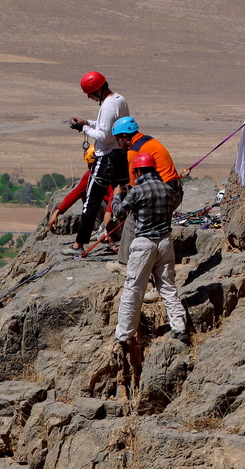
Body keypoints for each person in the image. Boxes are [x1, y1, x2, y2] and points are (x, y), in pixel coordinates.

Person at [112, 153, 188, 347]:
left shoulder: (137, 191)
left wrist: (117, 196)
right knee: (167, 286)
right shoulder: (167, 188)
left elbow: (119, 212)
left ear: (138, 171)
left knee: (133, 288)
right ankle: (179, 327)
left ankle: (123, 334)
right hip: (165, 241)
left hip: (144, 243)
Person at [65, 71, 129, 255]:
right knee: (125, 198)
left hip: (106, 158)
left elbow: (103, 135)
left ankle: (78, 245)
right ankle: (127, 240)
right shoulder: (119, 100)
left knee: (91, 202)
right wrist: (87, 122)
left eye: (90, 93)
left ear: (98, 90)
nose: (89, 97)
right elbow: (108, 126)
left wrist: (82, 128)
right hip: (121, 156)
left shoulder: (107, 106)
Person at [110, 117, 184, 263]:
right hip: (173, 192)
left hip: (162, 194)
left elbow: (135, 189)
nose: (118, 144)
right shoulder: (148, 140)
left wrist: (118, 196)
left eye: (118, 139)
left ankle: (124, 262)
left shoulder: (134, 152)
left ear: (125, 137)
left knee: (131, 221)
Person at [48, 144, 113, 234]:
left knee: (93, 196)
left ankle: (107, 230)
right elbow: (76, 193)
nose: (88, 167)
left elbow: (114, 195)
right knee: (88, 195)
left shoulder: (111, 173)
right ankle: (97, 229)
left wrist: (109, 212)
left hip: (115, 209)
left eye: (91, 164)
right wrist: (57, 212)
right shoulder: (90, 174)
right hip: (106, 209)